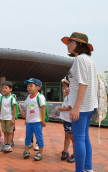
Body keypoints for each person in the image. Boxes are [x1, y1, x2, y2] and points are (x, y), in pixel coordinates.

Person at [61, 32, 97, 172]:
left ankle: (80, 170)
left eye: (70, 42)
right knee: (84, 137)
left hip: (81, 107)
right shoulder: (89, 60)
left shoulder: (80, 60)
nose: (67, 45)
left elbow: (83, 84)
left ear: (79, 44)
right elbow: (81, 83)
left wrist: (76, 107)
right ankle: (88, 168)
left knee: (79, 139)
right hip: (88, 105)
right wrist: (70, 90)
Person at [23, 78, 46, 161]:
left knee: (39, 137)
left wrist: (42, 120)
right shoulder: (28, 97)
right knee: (28, 137)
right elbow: (26, 108)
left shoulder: (40, 97)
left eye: (31, 86)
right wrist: (25, 118)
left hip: (37, 121)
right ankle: (26, 151)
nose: (29, 88)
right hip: (29, 122)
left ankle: (40, 152)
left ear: (38, 87)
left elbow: (43, 109)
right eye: (28, 86)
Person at [58, 76, 75, 163]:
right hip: (66, 120)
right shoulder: (67, 96)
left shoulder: (72, 95)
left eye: (64, 86)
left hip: (71, 120)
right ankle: (65, 151)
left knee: (73, 138)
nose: (63, 88)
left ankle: (75, 154)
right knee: (67, 136)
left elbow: (70, 107)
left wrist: (61, 109)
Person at [0, 81, 17, 152]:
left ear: (10, 89)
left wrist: (13, 119)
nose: (4, 89)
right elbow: (0, 108)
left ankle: (9, 145)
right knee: (5, 132)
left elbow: (14, 110)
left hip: (9, 118)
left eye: (6, 88)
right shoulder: (2, 98)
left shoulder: (12, 98)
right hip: (3, 118)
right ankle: (5, 144)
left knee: (9, 132)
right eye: (3, 88)